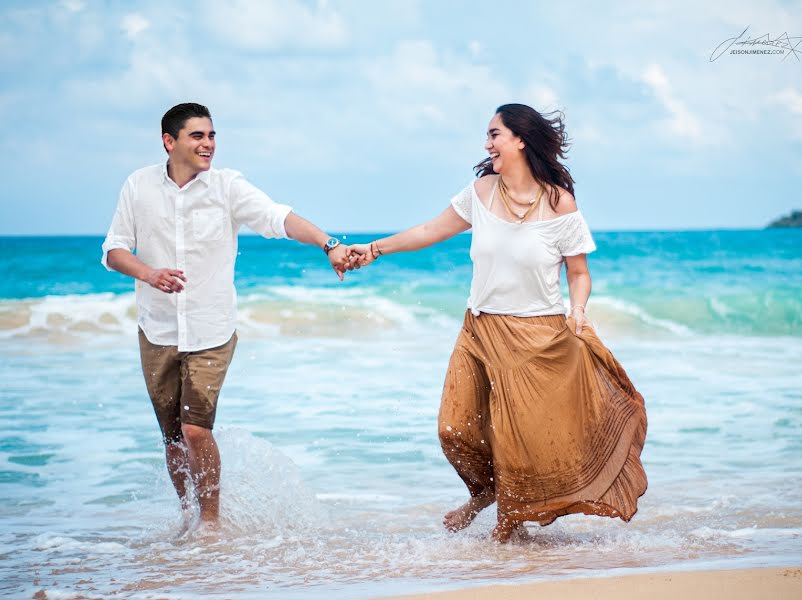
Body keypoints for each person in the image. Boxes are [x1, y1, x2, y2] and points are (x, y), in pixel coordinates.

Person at [348, 104, 647, 542]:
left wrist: (579, 312)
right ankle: (484, 493)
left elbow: (578, 273)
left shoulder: (557, 202)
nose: (487, 144)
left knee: (518, 444)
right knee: (453, 428)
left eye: (495, 134)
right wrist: (374, 249)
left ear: (520, 140)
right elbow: (431, 230)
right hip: (480, 328)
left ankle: (508, 532)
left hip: (537, 337)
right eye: (488, 136)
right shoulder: (482, 191)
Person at [101, 102, 355, 530]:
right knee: (173, 437)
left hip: (211, 328)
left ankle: (211, 524)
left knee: (196, 429)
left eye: (212, 135)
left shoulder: (227, 187)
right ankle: (187, 519)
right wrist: (149, 273)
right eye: (197, 136)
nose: (208, 144)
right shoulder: (138, 186)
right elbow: (114, 249)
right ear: (169, 141)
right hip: (157, 329)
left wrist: (327, 243)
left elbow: (280, 218)